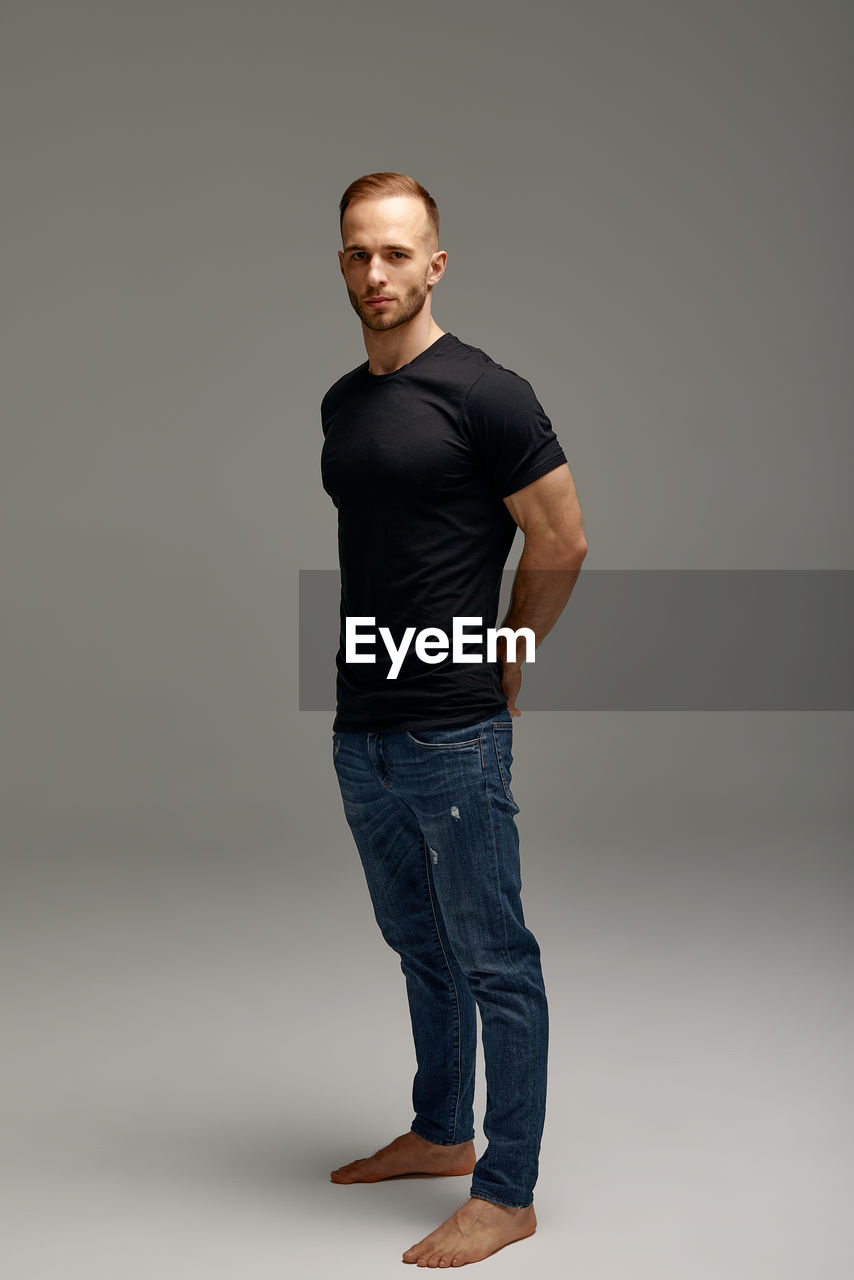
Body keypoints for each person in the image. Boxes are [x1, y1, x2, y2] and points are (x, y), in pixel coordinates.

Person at [320, 172, 588, 1268]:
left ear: (435, 264)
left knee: (492, 957)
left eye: (396, 253)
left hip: (450, 725)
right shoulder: (342, 400)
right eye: (355, 254)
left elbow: (561, 539)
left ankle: (507, 1188)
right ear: (340, 264)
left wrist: (506, 655)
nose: (375, 273)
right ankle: (439, 1128)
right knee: (415, 943)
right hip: (361, 723)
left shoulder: (488, 392)